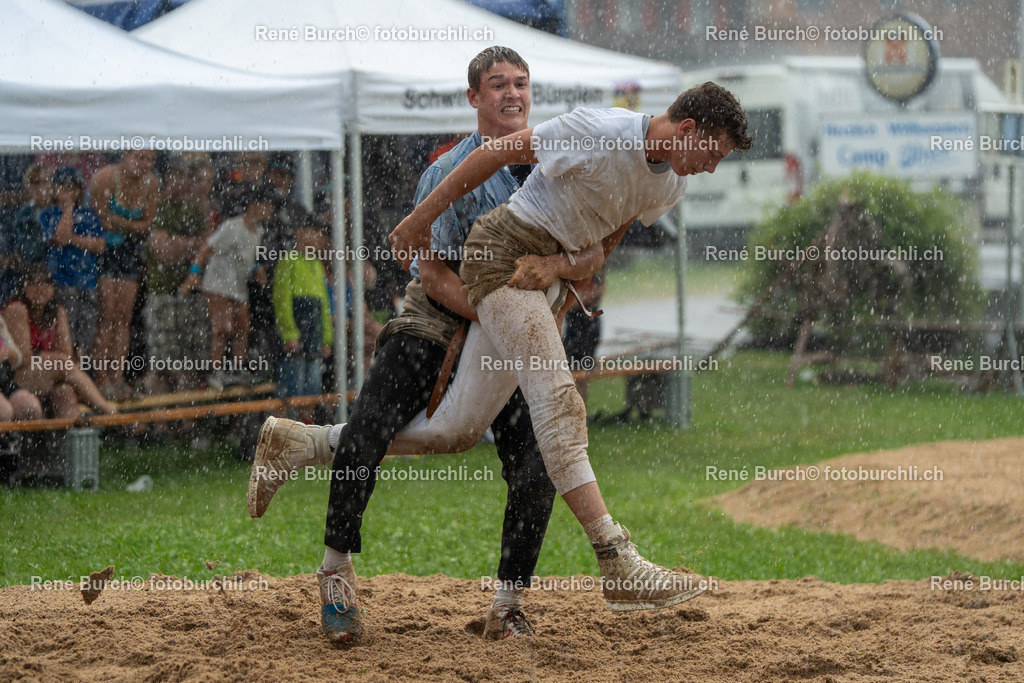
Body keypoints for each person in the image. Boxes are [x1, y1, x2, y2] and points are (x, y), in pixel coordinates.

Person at [389, 81, 753, 611]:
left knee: (455, 430)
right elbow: (493, 153)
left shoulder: (668, 186)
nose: (713, 168)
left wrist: (556, 268)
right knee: (560, 399)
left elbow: (596, 255)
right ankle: (617, 560)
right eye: (714, 153)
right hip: (498, 251)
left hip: (542, 278)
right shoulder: (598, 129)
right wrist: (418, 220)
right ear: (689, 129)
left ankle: (305, 444)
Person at [249, 46, 558, 643]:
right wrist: (497, 316)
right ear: (474, 98)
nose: (513, 95)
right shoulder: (446, 172)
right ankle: (335, 575)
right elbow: (434, 274)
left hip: (514, 335)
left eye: (521, 83)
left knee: (537, 462)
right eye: (498, 85)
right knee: (370, 427)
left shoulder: (553, 166)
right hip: (439, 316)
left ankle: (509, 602)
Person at [180, 184, 274, 390]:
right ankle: (216, 372)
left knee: (243, 328)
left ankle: (238, 370)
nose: (270, 210)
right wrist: (194, 273)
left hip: (238, 285)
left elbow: (249, 255)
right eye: (266, 205)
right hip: (217, 283)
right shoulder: (232, 226)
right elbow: (206, 248)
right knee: (222, 328)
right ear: (253, 206)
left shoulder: (259, 231)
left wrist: (257, 269)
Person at [88, 150, 159, 399]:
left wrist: (120, 222)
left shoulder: (152, 184)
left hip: (129, 251)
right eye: (139, 158)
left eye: (149, 160)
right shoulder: (107, 177)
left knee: (123, 319)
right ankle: (101, 377)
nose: (144, 164)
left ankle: (117, 378)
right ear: (126, 156)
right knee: (106, 318)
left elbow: (147, 224)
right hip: (104, 250)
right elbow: (99, 219)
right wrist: (130, 226)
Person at [2, 265, 116, 417]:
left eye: (45, 283)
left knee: (65, 392)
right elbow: (24, 358)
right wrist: (54, 359)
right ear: (24, 287)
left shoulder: (57, 311)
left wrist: (52, 360)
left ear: (53, 288)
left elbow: (66, 353)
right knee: (63, 365)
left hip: (47, 372)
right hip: (16, 377)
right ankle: (108, 411)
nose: (40, 288)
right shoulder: (17, 309)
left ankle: (72, 438)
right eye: (34, 283)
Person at [142, 155, 211, 394]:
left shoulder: (194, 209)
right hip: (162, 294)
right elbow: (163, 251)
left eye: (191, 177)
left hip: (191, 294)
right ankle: (160, 424)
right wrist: (191, 247)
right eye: (181, 175)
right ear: (169, 176)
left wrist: (180, 244)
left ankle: (186, 423)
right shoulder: (157, 205)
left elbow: (207, 246)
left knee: (191, 363)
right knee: (162, 363)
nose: (187, 182)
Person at [39, 167, 105, 358]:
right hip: (62, 281)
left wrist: (72, 239)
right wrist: (68, 208)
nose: (68, 191)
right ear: (54, 188)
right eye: (63, 186)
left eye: (72, 187)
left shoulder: (89, 214)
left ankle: (81, 371)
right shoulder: (48, 214)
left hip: (87, 281)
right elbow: (59, 237)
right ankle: (68, 371)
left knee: (85, 335)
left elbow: (100, 244)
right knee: (65, 332)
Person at [272, 219, 332, 423]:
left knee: (311, 391)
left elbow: (324, 306)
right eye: (312, 232)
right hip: (297, 335)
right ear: (298, 234)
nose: (318, 239)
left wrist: (326, 339)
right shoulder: (288, 261)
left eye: (319, 234)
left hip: (313, 336)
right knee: (290, 391)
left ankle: (306, 438)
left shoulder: (317, 265)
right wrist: (289, 333)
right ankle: (282, 435)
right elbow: (282, 301)